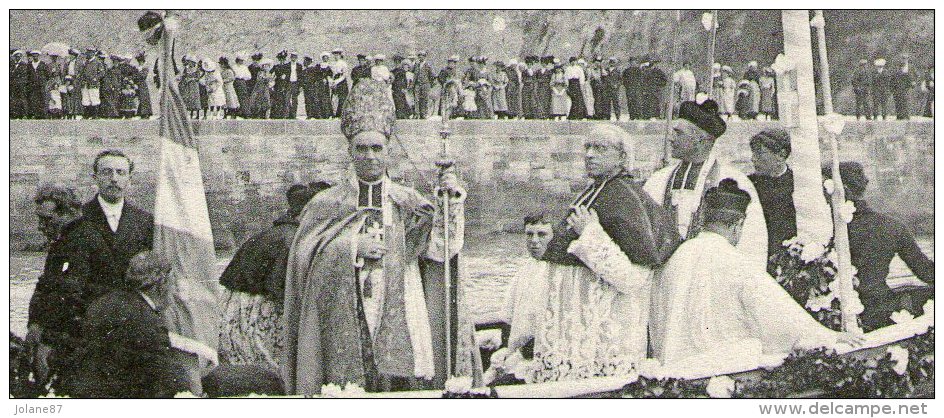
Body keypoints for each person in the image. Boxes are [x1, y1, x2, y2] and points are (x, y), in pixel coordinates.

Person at [281, 79, 468, 395]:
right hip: (343, 316)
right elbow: (303, 258)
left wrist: (450, 203)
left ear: (389, 151)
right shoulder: (326, 204)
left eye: (377, 148)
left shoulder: (409, 202)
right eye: (361, 148)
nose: (369, 156)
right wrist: (351, 247)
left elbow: (438, 251)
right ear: (350, 151)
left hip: (401, 307)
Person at [649, 179, 864, 370]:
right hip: (724, 372)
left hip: (673, 372)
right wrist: (829, 337)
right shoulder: (737, 262)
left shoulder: (676, 257)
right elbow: (782, 319)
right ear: (738, 225)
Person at [526, 124, 678, 383]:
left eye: (600, 148)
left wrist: (590, 234)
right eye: (587, 147)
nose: (589, 154)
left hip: (602, 334)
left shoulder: (624, 196)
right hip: (574, 331)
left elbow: (632, 278)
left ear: (622, 157)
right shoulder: (596, 190)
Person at [643, 100, 768, 270]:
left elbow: (753, 245)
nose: (671, 138)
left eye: (679, 133)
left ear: (701, 139)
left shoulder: (734, 181)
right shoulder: (658, 180)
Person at [219, 182, 329, 373]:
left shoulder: (275, 233)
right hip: (256, 316)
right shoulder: (294, 241)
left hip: (235, 315)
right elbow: (282, 291)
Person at [822, 162, 934, 332]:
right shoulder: (892, 226)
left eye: (824, 188)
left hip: (836, 318)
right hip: (883, 311)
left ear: (839, 190)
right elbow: (927, 273)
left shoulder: (825, 230)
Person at [67, 251, 189, 398]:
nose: (174, 289)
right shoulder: (147, 319)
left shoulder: (103, 302)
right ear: (161, 284)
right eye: (171, 281)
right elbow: (165, 376)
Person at [24, 184, 84, 393]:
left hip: (69, 345)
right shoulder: (63, 242)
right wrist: (34, 324)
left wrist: (46, 340)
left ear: (68, 214)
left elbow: (71, 299)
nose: (41, 226)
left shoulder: (80, 243)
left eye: (47, 219)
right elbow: (45, 288)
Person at [486, 212, 554, 384]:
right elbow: (509, 320)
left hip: (540, 358)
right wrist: (505, 351)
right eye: (529, 234)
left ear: (554, 237)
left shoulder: (557, 274)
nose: (534, 240)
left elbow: (551, 331)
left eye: (542, 234)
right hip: (517, 355)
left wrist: (517, 356)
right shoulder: (524, 271)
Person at [747, 128, 797, 272]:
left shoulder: (798, 186)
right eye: (753, 153)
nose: (753, 158)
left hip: (788, 265)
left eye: (759, 153)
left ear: (781, 155)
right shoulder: (748, 185)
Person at [79, 49, 105, 119]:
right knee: (85, 99)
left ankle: (95, 115)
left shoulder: (98, 62)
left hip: (93, 84)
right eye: (87, 53)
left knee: (94, 99)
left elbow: (102, 73)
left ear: (93, 53)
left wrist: (96, 78)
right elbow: (82, 72)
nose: (87, 54)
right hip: (85, 84)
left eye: (89, 53)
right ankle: (86, 115)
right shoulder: (85, 63)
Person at [412, 51, 434, 119]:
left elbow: (431, 75)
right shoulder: (416, 64)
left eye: (422, 56)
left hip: (425, 84)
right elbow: (414, 74)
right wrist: (413, 84)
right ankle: (417, 114)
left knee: (424, 99)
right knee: (416, 99)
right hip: (417, 84)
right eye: (419, 56)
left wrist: (429, 83)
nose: (420, 57)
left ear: (424, 57)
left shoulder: (428, 65)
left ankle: (424, 113)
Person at [330, 48, 350, 117]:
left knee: (342, 98)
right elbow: (333, 74)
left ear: (340, 55)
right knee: (334, 98)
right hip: (335, 79)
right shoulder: (333, 63)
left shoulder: (343, 63)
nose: (336, 56)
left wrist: (337, 81)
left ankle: (340, 114)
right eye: (335, 55)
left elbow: (345, 75)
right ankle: (334, 113)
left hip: (341, 81)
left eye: (337, 55)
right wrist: (333, 81)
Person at [133, 52, 153, 119]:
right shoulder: (138, 68)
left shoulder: (145, 68)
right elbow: (134, 76)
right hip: (138, 84)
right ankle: (142, 113)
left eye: (141, 61)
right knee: (141, 99)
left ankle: (146, 113)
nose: (140, 62)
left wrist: (137, 74)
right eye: (139, 61)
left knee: (144, 98)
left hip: (143, 84)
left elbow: (143, 76)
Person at [232, 54, 252, 118]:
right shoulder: (234, 67)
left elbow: (249, 76)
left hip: (242, 82)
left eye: (242, 61)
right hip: (235, 82)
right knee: (235, 97)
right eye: (240, 60)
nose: (241, 62)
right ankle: (235, 112)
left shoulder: (244, 67)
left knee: (243, 97)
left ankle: (245, 112)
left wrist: (243, 78)